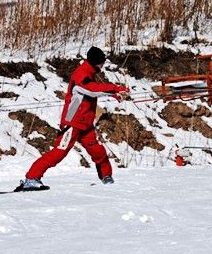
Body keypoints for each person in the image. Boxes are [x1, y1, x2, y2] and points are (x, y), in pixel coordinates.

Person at [17, 46, 129, 190]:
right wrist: (116, 89)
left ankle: (107, 177)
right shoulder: (81, 75)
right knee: (58, 153)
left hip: (85, 124)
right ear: (96, 61)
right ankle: (31, 178)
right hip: (72, 123)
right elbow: (91, 89)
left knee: (98, 151)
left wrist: (113, 95)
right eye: (102, 61)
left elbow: (90, 91)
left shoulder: (89, 74)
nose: (103, 64)